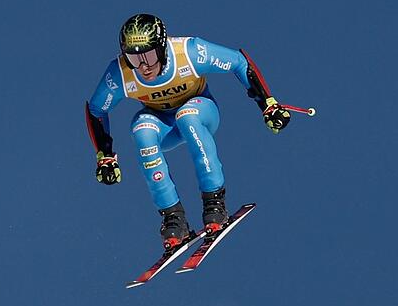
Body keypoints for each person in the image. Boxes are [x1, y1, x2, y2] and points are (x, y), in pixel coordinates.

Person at [85, 13, 292, 251]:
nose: (143, 66)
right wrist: (105, 155)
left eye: (150, 56)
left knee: (187, 117)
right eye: (133, 58)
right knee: (141, 130)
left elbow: (237, 61)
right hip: (163, 124)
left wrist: (268, 104)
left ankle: (214, 203)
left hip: (200, 111)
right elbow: (96, 110)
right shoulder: (120, 73)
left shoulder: (189, 52)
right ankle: (173, 218)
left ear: (162, 48)